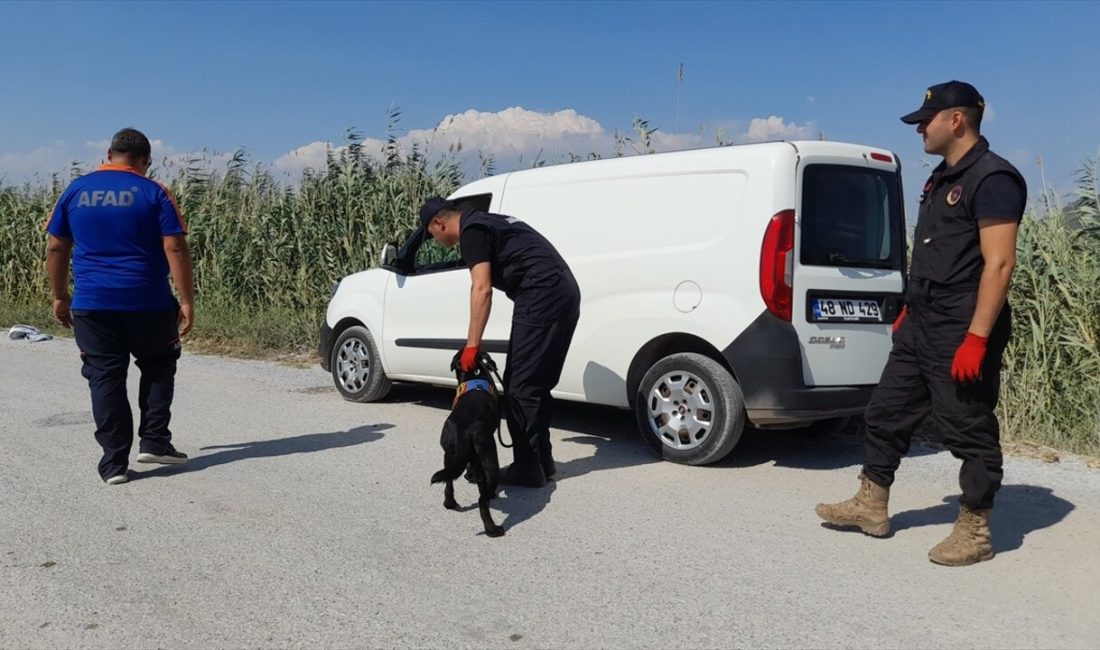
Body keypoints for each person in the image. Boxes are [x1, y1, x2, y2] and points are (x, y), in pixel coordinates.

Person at [815, 81, 1027, 566]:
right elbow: (937, 252)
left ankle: (975, 528)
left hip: (962, 323)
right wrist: (911, 307)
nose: (919, 130)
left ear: (956, 120)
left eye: (924, 121)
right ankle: (871, 504)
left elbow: (998, 265)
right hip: (923, 319)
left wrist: (976, 338)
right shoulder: (940, 177)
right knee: (886, 411)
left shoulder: (992, 178)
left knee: (966, 425)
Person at [45, 128, 195, 485]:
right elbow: (174, 247)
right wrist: (187, 300)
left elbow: (56, 247)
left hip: (93, 305)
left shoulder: (76, 191)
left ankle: (113, 464)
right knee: (158, 365)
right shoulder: (154, 191)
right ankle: (155, 441)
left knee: (105, 377)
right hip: (149, 301)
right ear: (145, 161)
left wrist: (59, 295)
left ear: (109, 153)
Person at [419, 197, 581, 488]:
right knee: (536, 383)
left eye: (432, 235)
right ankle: (542, 462)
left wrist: (471, 347)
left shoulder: (472, 232)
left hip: (541, 293)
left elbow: (481, 289)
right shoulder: (491, 221)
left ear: (439, 223)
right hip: (565, 291)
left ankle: (528, 468)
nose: (436, 240)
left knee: (520, 386)